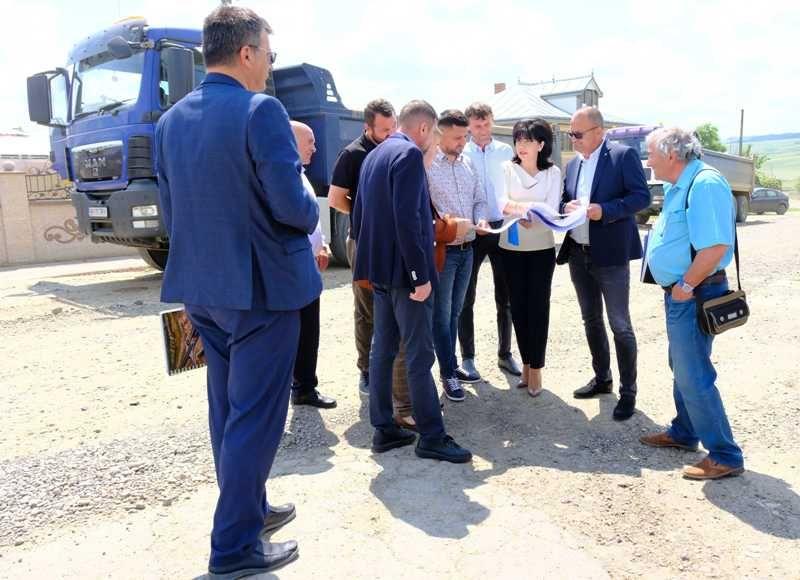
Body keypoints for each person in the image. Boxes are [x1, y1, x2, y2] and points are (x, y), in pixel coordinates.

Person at [155, 6, 316, 575]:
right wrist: (309, 203)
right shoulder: (261, 110)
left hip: (202, 289)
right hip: (261, 292)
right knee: (256, 417)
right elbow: (292, 207)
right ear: (246, 53)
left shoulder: (170, 121)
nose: (269, 66)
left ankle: (249, 509)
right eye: (269, 55)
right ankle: (233, 549)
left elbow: (172, 213)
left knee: (226, 410)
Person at [352, 100, 472, 463]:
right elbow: (410, 221)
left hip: (382, 272)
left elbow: (360, 216)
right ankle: (432, 436)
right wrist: (420, 275)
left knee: (383, 350)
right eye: (433, 132)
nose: (433, 139)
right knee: (419, 354)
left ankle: (383, 428)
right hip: (406, 276)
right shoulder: (407, 156)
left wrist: (368, 268)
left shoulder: (375, 155)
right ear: (423, 128)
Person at [639, 127, 744, 480]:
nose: (648, 160)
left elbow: (715, 247)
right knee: (682, 365)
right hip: (683, 293)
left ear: (671, 155)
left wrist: (685, 286)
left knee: (693, 373)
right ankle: (685, 432)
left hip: (694, 292)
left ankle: (725, 455)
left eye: (651, 153)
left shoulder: (705, 184)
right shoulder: (679, 184)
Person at [559, 106, 650, 421]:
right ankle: (602, 378)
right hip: (578, 252)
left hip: (610, 255)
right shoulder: (573, 164)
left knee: (620, 325)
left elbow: (641, 197)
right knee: (591, 320)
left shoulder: (622, 156)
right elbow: (564, 199)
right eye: (570, 134)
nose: (572, 140)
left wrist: (605, 210)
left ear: (599, 132)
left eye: (577, 134)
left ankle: (628, 392)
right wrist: (565, 206)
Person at [328, 99, 397, 396]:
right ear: (367, 127)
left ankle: (390, 368)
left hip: (391, 242)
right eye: (384, 130)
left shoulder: (394, 149)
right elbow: (335, 199)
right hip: (363, 242)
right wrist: (363, 215)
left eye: (393, 127)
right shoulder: (353, 154)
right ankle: (366, 370)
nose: (390, 134)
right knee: (366, 308)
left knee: (391, 307)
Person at [496, 119, 561, 397]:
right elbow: (501, 202)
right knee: (518, 308)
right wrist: (527, 210)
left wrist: (520, 209)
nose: (521, 146)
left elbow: (552, 208)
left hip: (541, 250)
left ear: (541, 144)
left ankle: (536, 368)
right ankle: (525, 364)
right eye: (518, 140)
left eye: (528, 140)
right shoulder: (506, 169)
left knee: (538, 308)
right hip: (510, 250)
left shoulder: (553, 173)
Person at [426, 109, 488, 401]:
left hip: (468, 250)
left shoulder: (468, 164)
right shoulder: (427, 166)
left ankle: (450, 364)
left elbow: (479, 199)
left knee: (455, 311)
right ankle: (448, 373)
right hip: (443, 252)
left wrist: (481, 218)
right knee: (442, 315)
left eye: (465, 136)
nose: (463, 142)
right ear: (440, 134)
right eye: (457, 137)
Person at [458, 102, 521, 382]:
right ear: (469, 126)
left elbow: (516, 187)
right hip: (474, 230)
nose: (482, 129)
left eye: (486, 124)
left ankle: (505, 353)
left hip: (502, 227)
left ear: (492, 121)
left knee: (505, 295)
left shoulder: (507, 152)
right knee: (465, 296)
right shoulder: (462, 152)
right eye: (477, 125)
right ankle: (468, 358)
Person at [289, 121, 336, 409]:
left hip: (307, 265)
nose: (315, 148)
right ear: (292, 141)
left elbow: (311, 220)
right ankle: (299, 387)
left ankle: (305, 386)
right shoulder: (285, 176)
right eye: (310, 142)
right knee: (296, 331)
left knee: (309, 330)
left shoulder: (301, 175)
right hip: (293, 268)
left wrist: (322, 245)